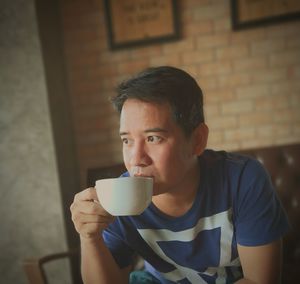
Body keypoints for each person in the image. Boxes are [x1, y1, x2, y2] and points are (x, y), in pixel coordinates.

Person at [70, 66, 289, 284]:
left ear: (197, 140)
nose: (136, 159)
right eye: (126, 140)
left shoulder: (242, 179)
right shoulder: (119, 196)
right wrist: (90, 237)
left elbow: (260, 280)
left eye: (153, 138)